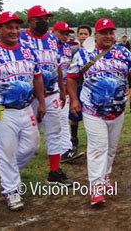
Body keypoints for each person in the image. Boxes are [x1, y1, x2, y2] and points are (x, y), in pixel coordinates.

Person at [67, 18, 131, 206]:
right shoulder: (84, 54)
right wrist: (74, 99)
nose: (108, 36)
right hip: (92, 109)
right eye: (104, 32)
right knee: (98, 147)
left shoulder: (123, 52)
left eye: (111, 32)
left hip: (117, 109)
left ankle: (106, 176)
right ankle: (96, 189)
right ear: (96, 35)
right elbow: (71, 77)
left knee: (111, 148)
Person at [0, 12, 45, 211]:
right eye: (9, 27)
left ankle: (8, 171)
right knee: (7, 151)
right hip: (1, 111)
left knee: (32, 146)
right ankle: (12, 191)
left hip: (25, 107)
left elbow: (37, 77)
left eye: (17, 27)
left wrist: (42, 103)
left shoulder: (28, 51)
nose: (14, 31)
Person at [20, 5, 73, 186]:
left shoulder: (51, 39)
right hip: (29, 96)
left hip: (51, 93)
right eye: (40, 19)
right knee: (27, 137)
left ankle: (54, 171)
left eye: (46, 19)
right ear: (30, 21)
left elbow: (57, 65)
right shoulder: (21, 38)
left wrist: (62, 88)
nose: (44, 22)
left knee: (55, 131)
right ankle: (13, 172)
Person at [52, 22, 84, 163]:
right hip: (47, 90)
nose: (65, 36)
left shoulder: (67, 49)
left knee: (62, 121)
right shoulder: (48, 47)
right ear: (54, 32)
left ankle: (66, 150)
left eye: (67, 33)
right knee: (35, 127)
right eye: (62, 33)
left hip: (63, 90)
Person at [69, 24, 92, 150]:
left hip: (90, 87)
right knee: (75, 115)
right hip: (77, 85)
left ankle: (93, 139)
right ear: (77, 36)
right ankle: (74, 139)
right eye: (81, 34)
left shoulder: (94, 51)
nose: (83, 36)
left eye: (85, 34)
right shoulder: (73, 50)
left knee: (92, 114)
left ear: (90, 36)